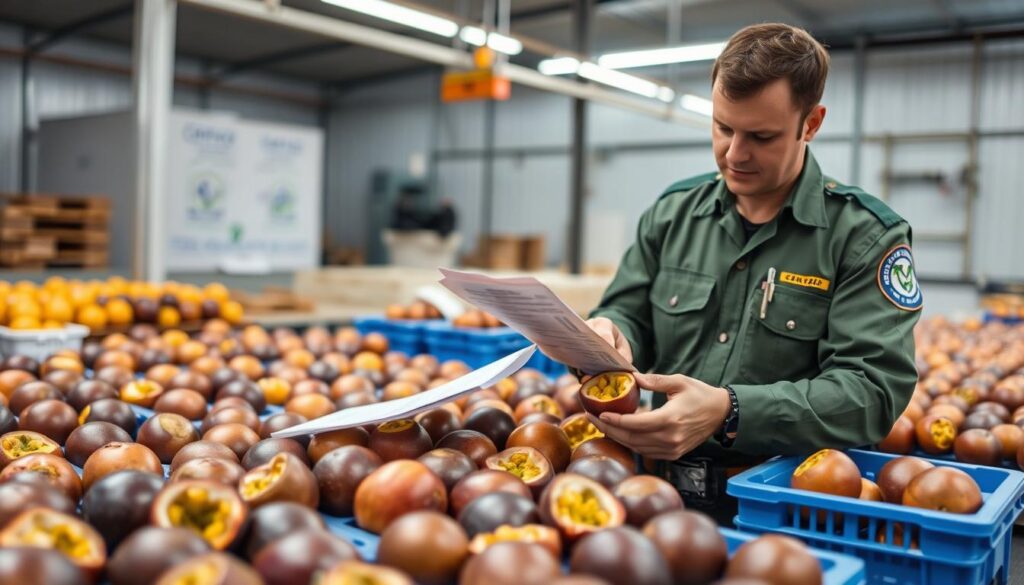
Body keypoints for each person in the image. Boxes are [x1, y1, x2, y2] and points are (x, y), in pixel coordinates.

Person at [583, 23, 922, 520]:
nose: (734, 154)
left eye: (761, 136)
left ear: (811, 123)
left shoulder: (864, 236)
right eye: (723, 127)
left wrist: (731, 410)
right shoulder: (673, 213)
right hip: (656, 496)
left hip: (782, 510)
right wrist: (608, 332)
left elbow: (871, 392)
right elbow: (627, 310)